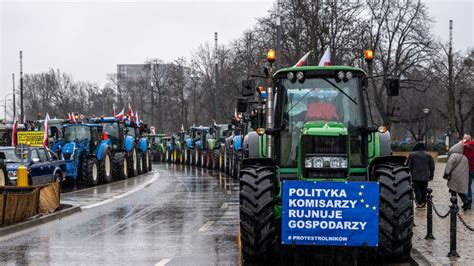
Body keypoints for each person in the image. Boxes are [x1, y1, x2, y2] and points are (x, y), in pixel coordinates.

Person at [407, 142, 435, 208]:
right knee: (424, 189)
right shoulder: (428, 155)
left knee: (417, 190)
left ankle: (419, 203)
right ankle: (423, 202)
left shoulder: (413, 155)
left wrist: (407, 175)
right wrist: (431, 175)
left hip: (415, 176)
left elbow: (408, 166)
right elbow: (432, 167)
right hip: (425, 176)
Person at [443, 142, 470, 210]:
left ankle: (454, 205)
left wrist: (446, 173)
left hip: (454, 176)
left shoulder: (453, 156)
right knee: (460, 191)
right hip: (462, 177)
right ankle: (466, 202)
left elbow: (449, 165)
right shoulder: (465, 157)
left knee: (453, 190)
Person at [462, 134, 474, 210]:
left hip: (468, 168)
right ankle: (469, 201)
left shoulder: (465, 146)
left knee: (467, 186)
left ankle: (468, 202)